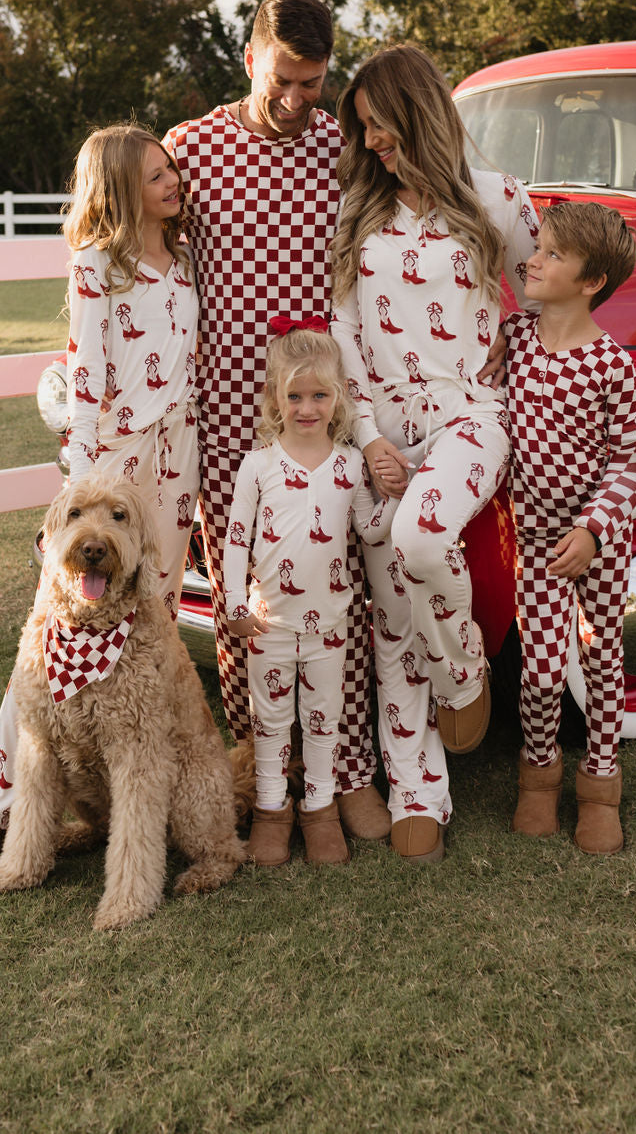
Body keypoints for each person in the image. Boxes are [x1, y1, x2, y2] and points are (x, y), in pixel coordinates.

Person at [0, 124, 200, 885]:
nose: (172, 182)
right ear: (120, 189)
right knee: (52, 648)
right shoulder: (96, 267)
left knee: (146, 635)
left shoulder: (182, 261)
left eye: (171, 170)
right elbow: (84, 386)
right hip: (113, 468)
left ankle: (136, 806)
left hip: (175, 471)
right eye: (154, 176)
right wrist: (79, 499)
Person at [162, 0, 391, 842]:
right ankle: (264, 774)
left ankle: (349, 771)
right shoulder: (191, 148)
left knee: (344, 586)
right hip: (228, 408)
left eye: (316, 81)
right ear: (251, 57)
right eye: (286, 78)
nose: (299, 98)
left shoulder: (339, 145)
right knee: (243, 598)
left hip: (321, 409)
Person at [329, 42, 541, 863]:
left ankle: (464, 677)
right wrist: (369, 436)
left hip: (470, 420)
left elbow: (564, 280)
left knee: (420, 540)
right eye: (365, 133)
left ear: (418, 112)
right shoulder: (359, 211)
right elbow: (344, 331)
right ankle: (418, 785)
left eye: (382, 128)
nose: (374, 144)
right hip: (384, 427)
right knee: (390, 610)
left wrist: (515, 336)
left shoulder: (497, 200)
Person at [504, 201, 636, 854]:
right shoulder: (514, 338)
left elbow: (635, 456)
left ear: (591, 281)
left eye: (553, 254)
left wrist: (593, 529)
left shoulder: (609, 364)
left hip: (596, 541)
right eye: (538, 246)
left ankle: (600, 784)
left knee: (599, 657)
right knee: (538, 669)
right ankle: (539, 777)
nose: (534, 259)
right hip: (535, 539)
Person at [223, 321, 398, 868]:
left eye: (319, 395)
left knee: (325, 721)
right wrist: (233, 606)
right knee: (271, 723)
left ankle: (319, 809)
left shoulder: (348, 466)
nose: (306, 407)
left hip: (330, 627)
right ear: (275, 397)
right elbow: (234, 540)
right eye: (294, 395)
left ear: (338, 397)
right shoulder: (258, 466)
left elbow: (368, 531)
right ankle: (273, 812)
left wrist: (396, 494)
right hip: (269, 627)